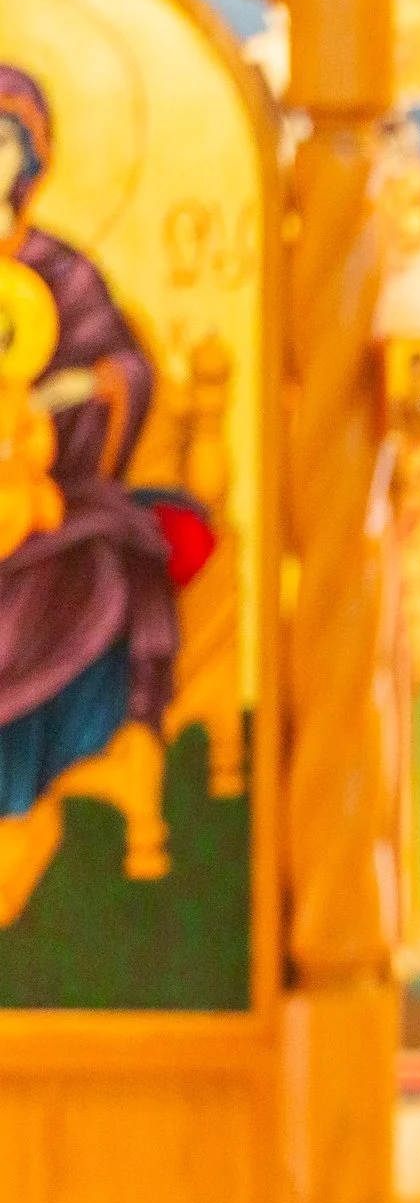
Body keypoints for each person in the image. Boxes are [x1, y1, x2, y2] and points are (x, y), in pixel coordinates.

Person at [0, 65, 177, 819]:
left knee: (86, 576)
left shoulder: (62, 271)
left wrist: (87, 388)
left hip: (51, 490)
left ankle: (19, 787)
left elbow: (128, 366)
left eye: (2, 142)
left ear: (30, 159)